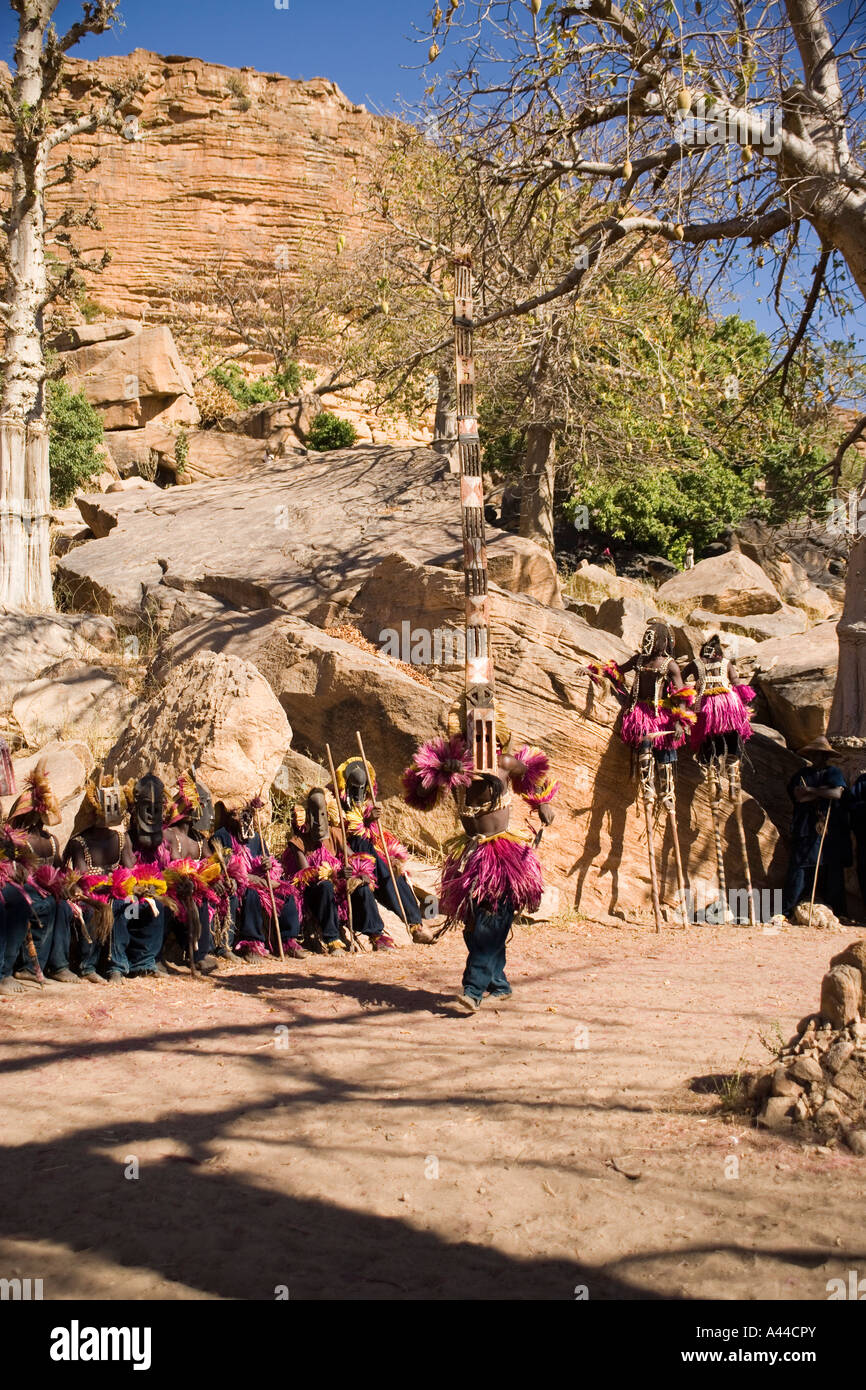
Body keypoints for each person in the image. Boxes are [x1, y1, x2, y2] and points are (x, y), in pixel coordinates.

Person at [402, 702, 556, 1011]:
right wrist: (438, 773)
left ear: (497, 739)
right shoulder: (454, 769)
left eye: (488, 738)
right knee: (474, 927)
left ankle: (472, 990)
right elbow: (419, 794)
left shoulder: (505, 763)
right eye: (475, 738)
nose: (482, 744)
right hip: (470, 855)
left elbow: (531, 776)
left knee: (491, 920)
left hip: (503, 858)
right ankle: (498, 983)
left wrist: (541, 802)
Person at [5, 762, 79, 988]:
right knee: (45, 905)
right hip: (24, 891)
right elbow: (10, 870)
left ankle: (59, 965)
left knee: (64, 906)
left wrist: (68, 886)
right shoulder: (15, 840)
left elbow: (59, 871)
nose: (36, 820)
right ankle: (28, 966)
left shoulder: (52, 841)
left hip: (48, 893)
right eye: (32, 815)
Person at [291, 787, 387, 952]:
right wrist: (334, 874)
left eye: (321, 815)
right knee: (326, 887)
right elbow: (305, 876)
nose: (317, 821)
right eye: (313, 815)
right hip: (315, 893)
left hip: (340, 890)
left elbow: (354, 858)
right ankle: (332, 939)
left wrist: (359, 872)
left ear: (328, 815)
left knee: (362, 886)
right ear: (307, 815)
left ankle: (376, 936)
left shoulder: (335, 833)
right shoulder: (298, 842)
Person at [336, 756, 421, 931]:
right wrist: (366, 822)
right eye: (354, 788)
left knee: (394, 874)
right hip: (350, 852)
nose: (358, 792)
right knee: (376, 863)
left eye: (362, 788)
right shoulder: (337, 804)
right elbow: (342, 835)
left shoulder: (367, 804)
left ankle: (415, 919)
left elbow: (376, 835)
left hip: (371, 850)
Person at [63, 774, 132, 984]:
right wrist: (104, 884)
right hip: (88, 894)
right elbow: (82, 877)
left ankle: (117, 966)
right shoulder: (79, 842)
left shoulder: (122, 838)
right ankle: (87, 966)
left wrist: (121, 884)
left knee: (125, 906)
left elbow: (130, 867)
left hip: (115, 891)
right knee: (92, 909)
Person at [782, 737, 851, 919]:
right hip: (805, 828)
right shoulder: (801, 775)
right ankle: (787, 910)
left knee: (832, 870)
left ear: (825, 756)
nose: (816, 757)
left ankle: (839, 912)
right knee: (799, 867)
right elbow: (798, 796)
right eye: (814, 754)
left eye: (820, 754)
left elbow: (837, 793)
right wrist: (822, 793)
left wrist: (811, 791)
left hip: (829, 829)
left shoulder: (833, 772)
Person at [121, 772, 170, 977]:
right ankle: (139, 961)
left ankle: (154, 958)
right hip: (132, 892)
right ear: (135, 809)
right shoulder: (127, 840)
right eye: (146, 808)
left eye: (156, 809)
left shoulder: (162, 844)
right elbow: (126, 872)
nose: (151, 815)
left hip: (156, 890)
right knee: (139, 906)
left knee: (168, 904)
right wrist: (141, 887)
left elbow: (166, 871)